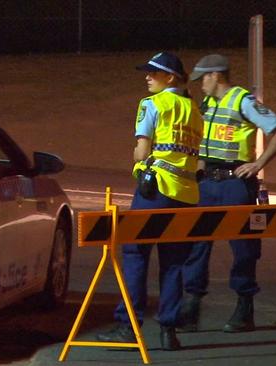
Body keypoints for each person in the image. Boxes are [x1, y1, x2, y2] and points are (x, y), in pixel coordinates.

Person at [96, 52, 203, 351]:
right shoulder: (193, 109)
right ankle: (168, 330)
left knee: (135, 254)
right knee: (173, 262)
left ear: (169, 77)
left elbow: (142, 152)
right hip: (185, 194)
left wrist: (137, 157)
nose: (146, 77)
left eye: (153, 73)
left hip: (155, 190)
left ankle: (128, 326)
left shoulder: (152, 104)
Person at [180, 54, 276, 333]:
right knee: (196, 245)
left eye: (202, 78)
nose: (200, 84)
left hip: (234, 185)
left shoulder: (243, 101)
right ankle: (191, 307)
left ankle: (244, 307)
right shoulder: (208, 103)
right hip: (207, 184)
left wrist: (258, 164)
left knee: (243, 248)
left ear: (215, 75)